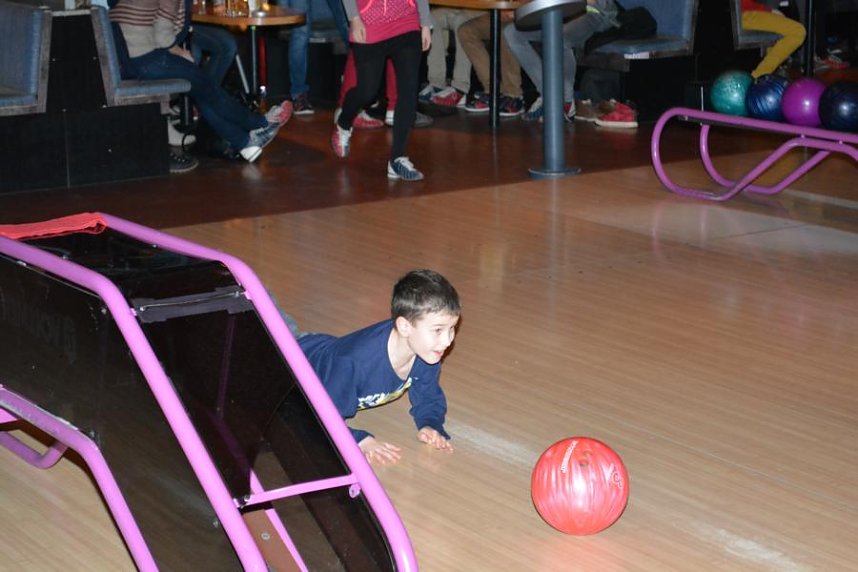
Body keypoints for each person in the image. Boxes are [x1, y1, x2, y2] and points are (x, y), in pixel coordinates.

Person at [294, 270, 461, 465]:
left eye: (452, 329)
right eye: (438, 330)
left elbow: (428, 397)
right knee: (257, 310)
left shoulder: (428, 352)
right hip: (288, 356)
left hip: (323, 349)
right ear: (405, 327)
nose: (447, 340)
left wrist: (430, 424)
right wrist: (359, 440)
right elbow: (320, 419)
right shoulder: (353, 363)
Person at [111, 0, 294, 163]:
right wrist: (182, 54)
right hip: (148, 60)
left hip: (132, 60)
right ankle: (260, 124)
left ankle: (245, 143)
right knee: (208, 87)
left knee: (204, 90)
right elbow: (163, 38)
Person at [330, 0, 432, 180]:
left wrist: (425, 23)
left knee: (408, 91)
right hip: (369, 22)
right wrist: (354, 18)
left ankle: (397, 158)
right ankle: (344, 123)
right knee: (367, 91)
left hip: (406, 22)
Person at [504, 0, 619, 122]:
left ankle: (566, 101)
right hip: (556, 13)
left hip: (592, 13)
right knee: (512, 33)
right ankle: (548, 93)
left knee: (559, 37)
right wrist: (524, 10)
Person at [457, 11, 525, 117]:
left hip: (521, 14)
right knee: (466, 31)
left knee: (505, 32)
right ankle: (493, 90)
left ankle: (514, 94)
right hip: (497, 12)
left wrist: (517, 10)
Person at [420, 8, 482, 108]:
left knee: (461, 21)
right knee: (430, 18)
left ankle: (460, 88)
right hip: (457, 7)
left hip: (481, 8)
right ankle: (437, 83)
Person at [740, 0, 806, 78]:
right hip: (744, 14)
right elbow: (743, 3)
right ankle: (758, 76)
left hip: (742, 13)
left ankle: (768, 74)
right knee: (798, 32)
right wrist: (769, 10)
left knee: (783, 27)